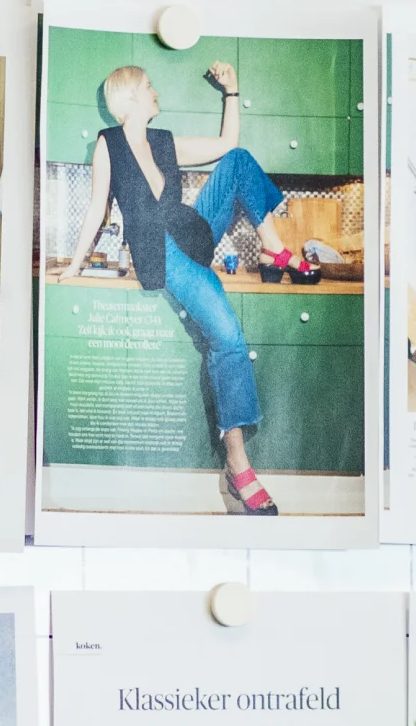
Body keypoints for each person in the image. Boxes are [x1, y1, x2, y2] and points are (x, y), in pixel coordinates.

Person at [67, 60, 293, 515]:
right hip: (163, 256)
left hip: (193, 231)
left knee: (238, 160)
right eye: (148, 86)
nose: (155, 92)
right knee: (227, 337)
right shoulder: (108, 145)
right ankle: (238, 463)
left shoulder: (164, 142)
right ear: (129, 96)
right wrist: (72, 267)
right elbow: (96, 208)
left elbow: (227, 143)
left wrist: (233, 89)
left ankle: (273, 247)